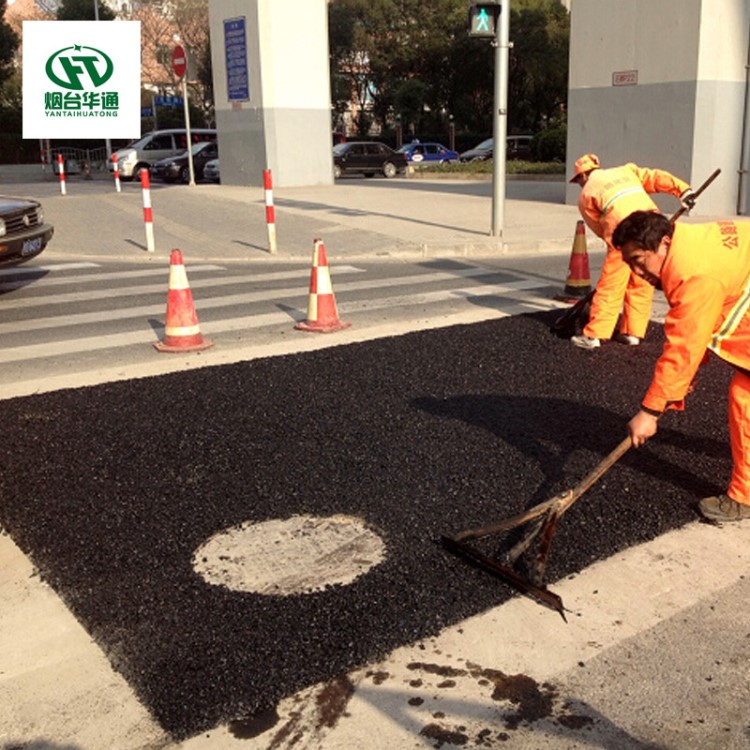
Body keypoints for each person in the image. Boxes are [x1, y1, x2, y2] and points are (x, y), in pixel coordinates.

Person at [612, 209, 750, 522]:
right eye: (629, 263)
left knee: (745, 396)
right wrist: (679, 383)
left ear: (663, 243)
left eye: (639, 260)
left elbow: (684, 346)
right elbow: (704, 323)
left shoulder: (694, 275)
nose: (637, 272)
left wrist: (650, 412)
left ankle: (745, 497)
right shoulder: (692, 240)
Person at [568, 154, 695, 350]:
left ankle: (595, 335)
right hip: (652, 227)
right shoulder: (626, 171)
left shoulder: (586, 195)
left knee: (611, 285)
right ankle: (632, 333)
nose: (580, 184)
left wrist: (617, 247)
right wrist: (683, 190)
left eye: (578, 180)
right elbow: (655, 177)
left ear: (582, 176)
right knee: (643, 278)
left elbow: (599, 227)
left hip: (624, 233)